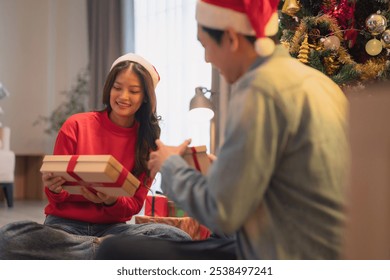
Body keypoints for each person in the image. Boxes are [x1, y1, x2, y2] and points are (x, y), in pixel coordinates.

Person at [96, 0, 349, 260]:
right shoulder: (318, 83)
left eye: (205, 45)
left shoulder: (260, 89)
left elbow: (222, 213)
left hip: (281, 254)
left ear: (230, 38)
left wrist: (170, 166)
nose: (207, 58)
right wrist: (224, 170)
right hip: (324, 249)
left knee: (113, 249)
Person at [0, 53, 191, 260]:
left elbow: (134, 206)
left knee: (176, 237)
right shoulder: (76, 125)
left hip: (113, 230)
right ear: (109, 88)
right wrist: (54, 188)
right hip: (64, 228)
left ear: (145, 96)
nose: (123, 97)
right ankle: (104, 252)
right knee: (8, 237)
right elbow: (57, 199)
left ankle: (90, 254)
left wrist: (112, 200)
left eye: (133, 91)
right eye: (117, 88)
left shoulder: (148, 144)